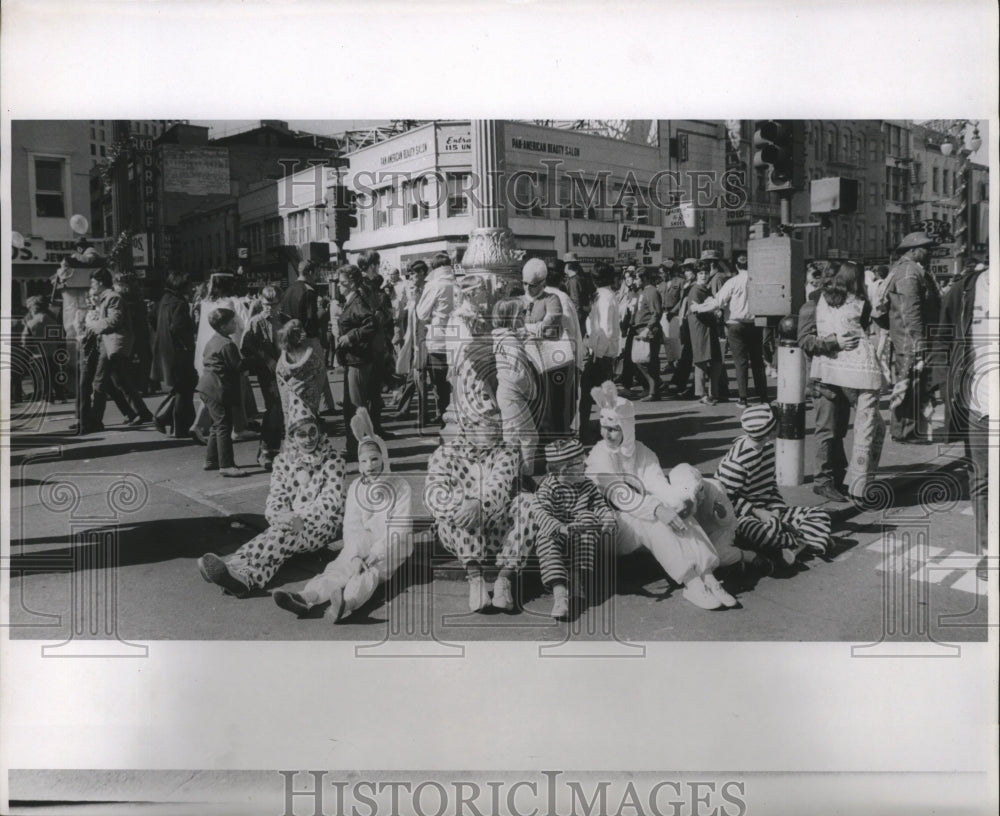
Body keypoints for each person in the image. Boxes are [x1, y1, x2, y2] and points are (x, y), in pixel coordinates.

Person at [584, 382, 736, 610]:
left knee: (675, 511)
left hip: (638, 514)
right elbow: (620, 495)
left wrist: (678, 503)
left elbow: (657, 483)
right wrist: (658, 509)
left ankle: (708, 575)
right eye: (604, 427)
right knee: (652, 520)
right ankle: (691, 582)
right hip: (610, 526)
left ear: (627, 428)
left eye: (614, 428)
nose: (608, 434)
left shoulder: (642, 452)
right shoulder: (599, 456)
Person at [198, 395, 347, 596]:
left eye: (312, 431)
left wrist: (300, 519)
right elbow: (276, 497)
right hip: (288, 523)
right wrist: (281, 516)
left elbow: (330, 502)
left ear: (319, 431)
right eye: (301, 434)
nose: (309, 438)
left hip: (322, 526)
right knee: (282, 532)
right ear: (292, 437)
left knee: (284, 533)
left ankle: (240, 571)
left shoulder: (333, 460)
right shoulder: (283, 461)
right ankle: (239, 574)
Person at [273, 408, 413, 621]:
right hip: (362, 541)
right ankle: (306, 597)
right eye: (364, 461)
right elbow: (351, 525)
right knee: (341, 565)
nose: (370, 466)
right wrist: (355, 553)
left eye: (375, 459)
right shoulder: (357, 486)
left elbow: (399, 529)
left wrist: (375, 553)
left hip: (391, 545)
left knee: (370, 572)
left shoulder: (400, 486)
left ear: (384, 459)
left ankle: (347, 603)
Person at [424, 408, 537, 612]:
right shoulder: (443, 454)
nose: (496, 430)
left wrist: (478, 503)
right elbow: (433, 495)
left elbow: (499, 484)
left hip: (497, 528)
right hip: (457, 533)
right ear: (469, 426)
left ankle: (504, 579)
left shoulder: (507, 451)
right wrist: (464, 505)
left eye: (498, 425)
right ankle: (475, 579)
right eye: (489, 425)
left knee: (529, 502)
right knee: (465, 509)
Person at [715, 405, 832, 565]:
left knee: (819, 514)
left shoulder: (768, 448)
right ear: (769, 432)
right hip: (744, 517)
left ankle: (792, 544)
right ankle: (803, 541)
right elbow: (726, 500)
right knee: (762, 533)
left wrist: (776, 508)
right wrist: (758, 512)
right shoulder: (736, 463)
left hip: (770, 511)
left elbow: (770, 484)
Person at [810, 261, 886, 501]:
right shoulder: (860, 303)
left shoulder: (820, 300)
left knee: (842, 429)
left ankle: (847, 480)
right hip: (864, 372)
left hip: (832, 371)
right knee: (868, 429)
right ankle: (860, 485)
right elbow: (875, 323)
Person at [931, 261, 990, 563]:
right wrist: (942, 384)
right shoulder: (965, 289)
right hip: (978, 403)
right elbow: (942, 337)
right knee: (981, 479)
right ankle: (988, 551)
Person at [533, 439, 616, 619]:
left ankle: (577, 578)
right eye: (579, 462)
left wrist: (608, 518)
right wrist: (560, 528)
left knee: (588, 517)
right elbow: (539, 511)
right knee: (545, 539)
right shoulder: (548, 487)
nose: (585, 464)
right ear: (564, 470)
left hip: (579, 534)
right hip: (557, 530)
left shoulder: (586, 485)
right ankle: (560, 593)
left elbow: (599, 505)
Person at [797, 263, 854, 503]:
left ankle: (838, 479)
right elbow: (804, 341)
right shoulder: (811, 308)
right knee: (826, 431)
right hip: (823, 381)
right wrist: (834, 343)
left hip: (842, 377)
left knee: (839, 431)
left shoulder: (842, 307)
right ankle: (823, 481)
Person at [884, 231, 942, 442]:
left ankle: (904, 430)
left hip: (908, 340)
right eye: (926, 248)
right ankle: (906, 432)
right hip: (911, 342)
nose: (930, 252)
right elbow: (911, 311)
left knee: (909, 385)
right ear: (913, 250)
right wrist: (919, 342)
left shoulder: (907, 269)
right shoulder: (909, 272)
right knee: (911, 386)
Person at [690, 252, 768, 406]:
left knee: (741, 362)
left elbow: (718, 302)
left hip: (735, 324)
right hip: (755, 323)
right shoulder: (759, 281)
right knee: (758, 361)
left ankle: (743, 398)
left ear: (737, 266)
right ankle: (763, 396)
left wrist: (698, 307)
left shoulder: (732, 282)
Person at [85, 267, 154, 428]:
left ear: (101, 282)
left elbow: (114, 320)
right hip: (109, 344)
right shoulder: (106, 298)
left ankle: (95, 420)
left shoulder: (113, 298)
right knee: (121, 382)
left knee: (99, 382)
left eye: (94, 282)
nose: (93, 286)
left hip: (112, 345)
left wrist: (92, 325)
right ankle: (141, 412)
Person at [195, 307, 247, 478]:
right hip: (219, 388)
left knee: (216, 425)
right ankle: (226, 464)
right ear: (224, 326)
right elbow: (238, 366)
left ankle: (211, 460)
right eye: (232, 322)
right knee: (224, 425)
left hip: (206, 386)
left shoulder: (214, 340)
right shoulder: (228, 344)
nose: (235, 324)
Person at [492, 297, 541, 476]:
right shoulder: (510, 341)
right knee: (529, 437)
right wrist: (531, 390)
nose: (524, 316)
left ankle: (510, 475)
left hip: (506, 393)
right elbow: (519, 374)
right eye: (521, 313)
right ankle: (526, 476)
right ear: (513, 317)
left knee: (512, 438)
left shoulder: (501, 336)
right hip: (514, 394)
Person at [241, 286, 288, 470]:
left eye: (274, 305)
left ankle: (276, 449)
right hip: (267, 373)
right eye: (266, 304)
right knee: (273, 407)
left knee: (282, 409)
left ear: (280, 303)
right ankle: (266, 449)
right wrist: (265, 358)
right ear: (261, 302)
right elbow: (246, 347)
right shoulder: (255, 322)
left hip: (286, 370)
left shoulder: (286, 320)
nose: (270, 308)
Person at [334, 264, 376, 459]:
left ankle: (365, 446)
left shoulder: (357, 302)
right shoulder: (352, 300)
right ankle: (355, 446)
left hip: (358, 360)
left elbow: (371, 324)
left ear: (350, 284)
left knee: (357, 406)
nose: (339, 287)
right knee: (352, 406)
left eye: (341, 283)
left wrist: (350, 336)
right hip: (353, 360)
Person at [578, 261, 622, 443]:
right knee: (601, 396)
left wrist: (598, 353)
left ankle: (587, 431)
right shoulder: (606, 296)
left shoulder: (604, 298)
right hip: (602, 353)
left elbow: (606, 329)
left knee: (592, 395)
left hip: (600, 354)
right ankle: (598, 430)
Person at [151, 271, 197, 438]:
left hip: (165, 349)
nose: (192, 288)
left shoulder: (164, 300)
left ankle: (170, 420)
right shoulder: (179, 303)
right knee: (185, 388)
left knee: (181, 388)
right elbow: (178, 327)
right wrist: (187, 345)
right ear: (181, 286)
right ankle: (175, 424)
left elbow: (152, 318)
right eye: (189, 285)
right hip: (178, 352)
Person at [415, 252, 457, 423]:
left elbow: (422, 312)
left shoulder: (434, 285)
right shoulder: (456, 283)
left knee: (439, 384)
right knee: (453, 382)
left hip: (438, 339)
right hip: (456, 337)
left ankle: (443, 419)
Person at [392, 259, 428, 420]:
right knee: (412, 377)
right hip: (413, 339)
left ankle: (421, 413)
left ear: (421, 273)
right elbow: (405, 312)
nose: (410, 277)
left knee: (419, 377)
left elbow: (423, 315)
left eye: (413, 273)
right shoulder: (412, 291)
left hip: (424, 340)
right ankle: (407, 409)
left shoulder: (428, 289)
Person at [687, 263, 723, 405]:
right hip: (700, 328)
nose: (704, 276)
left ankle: (714, 393)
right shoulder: (695, 289)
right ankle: (702, 394)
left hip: (709, 327)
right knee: (701, 360)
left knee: (716, 360)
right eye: (701, 273)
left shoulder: (705, 289)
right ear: (696, 275)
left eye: (706, 273)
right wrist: (714, 310)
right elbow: (695, 309)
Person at [276, 318, 324, 422]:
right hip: (309, 401)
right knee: (309, 428)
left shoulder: (282, 361)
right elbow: (320, 373)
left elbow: (280, 379)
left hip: (290, 402)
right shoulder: (311, 357)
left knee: (291, 430)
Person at [21, 295, 66, 402]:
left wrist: (26, 351)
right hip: (52, 353)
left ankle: (47, 396)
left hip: (38, 355)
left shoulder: (31, 323)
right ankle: (60, 395)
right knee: (54, 374)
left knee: (42, 376)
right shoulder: (52, 320)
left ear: (33, 308)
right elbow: (60, 338)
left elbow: (25, 339)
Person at [629, 266, 664, 401]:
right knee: (640, 361)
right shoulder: (642, 291)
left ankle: (654, 391)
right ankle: (651, 387)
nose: (635, 281)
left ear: (644, 278)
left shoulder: (652, 292)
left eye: (637, 278)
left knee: (649, 362)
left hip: (648, 331)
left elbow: (656, 313)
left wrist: (648, 329)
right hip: (640, 330)